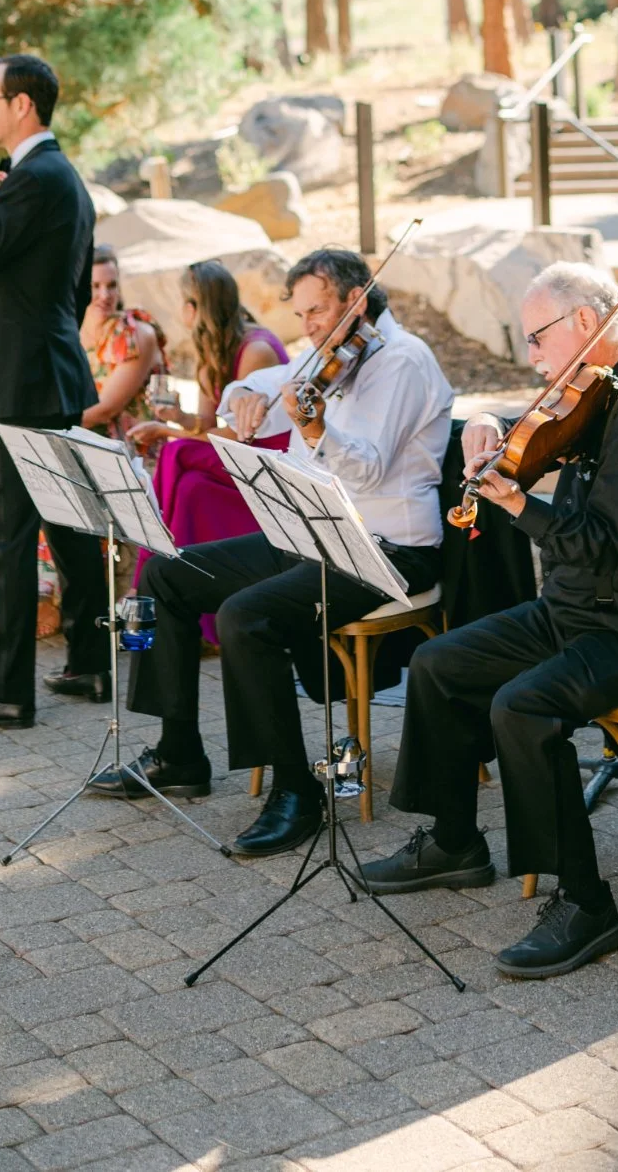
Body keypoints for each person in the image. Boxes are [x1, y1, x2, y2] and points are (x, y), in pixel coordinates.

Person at [360, 262, 618, 981]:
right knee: (438, 664)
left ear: (585, 323)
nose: (533, 359)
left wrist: (518, 504)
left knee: (520, 708)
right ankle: (456, 842)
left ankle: (587, 906)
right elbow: (556, 437)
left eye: (537, 339)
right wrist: (496, 426)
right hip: (582, 609)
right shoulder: (603, 392)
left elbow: (603, 546)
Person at [88, 246, 452, 855]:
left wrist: (314, 430)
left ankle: (296, 793)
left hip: (385, 548)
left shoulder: (405, 363)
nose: (307, 327)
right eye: (302, 314)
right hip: (313, 534)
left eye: (317, 311)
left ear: (356, 300)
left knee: (244, 616)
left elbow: (365, 470)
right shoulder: (326, 354)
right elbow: (255, 382)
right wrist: (243, 395)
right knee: (166, 575)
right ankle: (180, 753)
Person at [0, 53, 110, 725]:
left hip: (16, 382)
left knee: (9, 537)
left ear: (21, 105)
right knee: (67, 525)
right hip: (54, 373)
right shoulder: (58, 178)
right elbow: (69, 287)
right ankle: (91, 663)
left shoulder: (38, 178)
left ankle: (7, 691)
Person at [130, 263, 289, 629]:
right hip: (228, 459)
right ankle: (190, 613)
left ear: (196, 307)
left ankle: (146, 572)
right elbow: (207, 426)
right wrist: (179, 418)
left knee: (174, 452)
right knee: (189, 489)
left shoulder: (256, 349)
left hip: (262, 459)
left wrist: (168, 433)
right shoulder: (210, 351)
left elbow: (238, 436)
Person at [79, 245, 166, 437]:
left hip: (133, 451)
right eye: (95, 286)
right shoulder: (72, 332)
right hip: (86, 441)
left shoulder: (135, 334)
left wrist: (50, 426)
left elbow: (105, 410)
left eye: (111, 286)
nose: (105, 296)